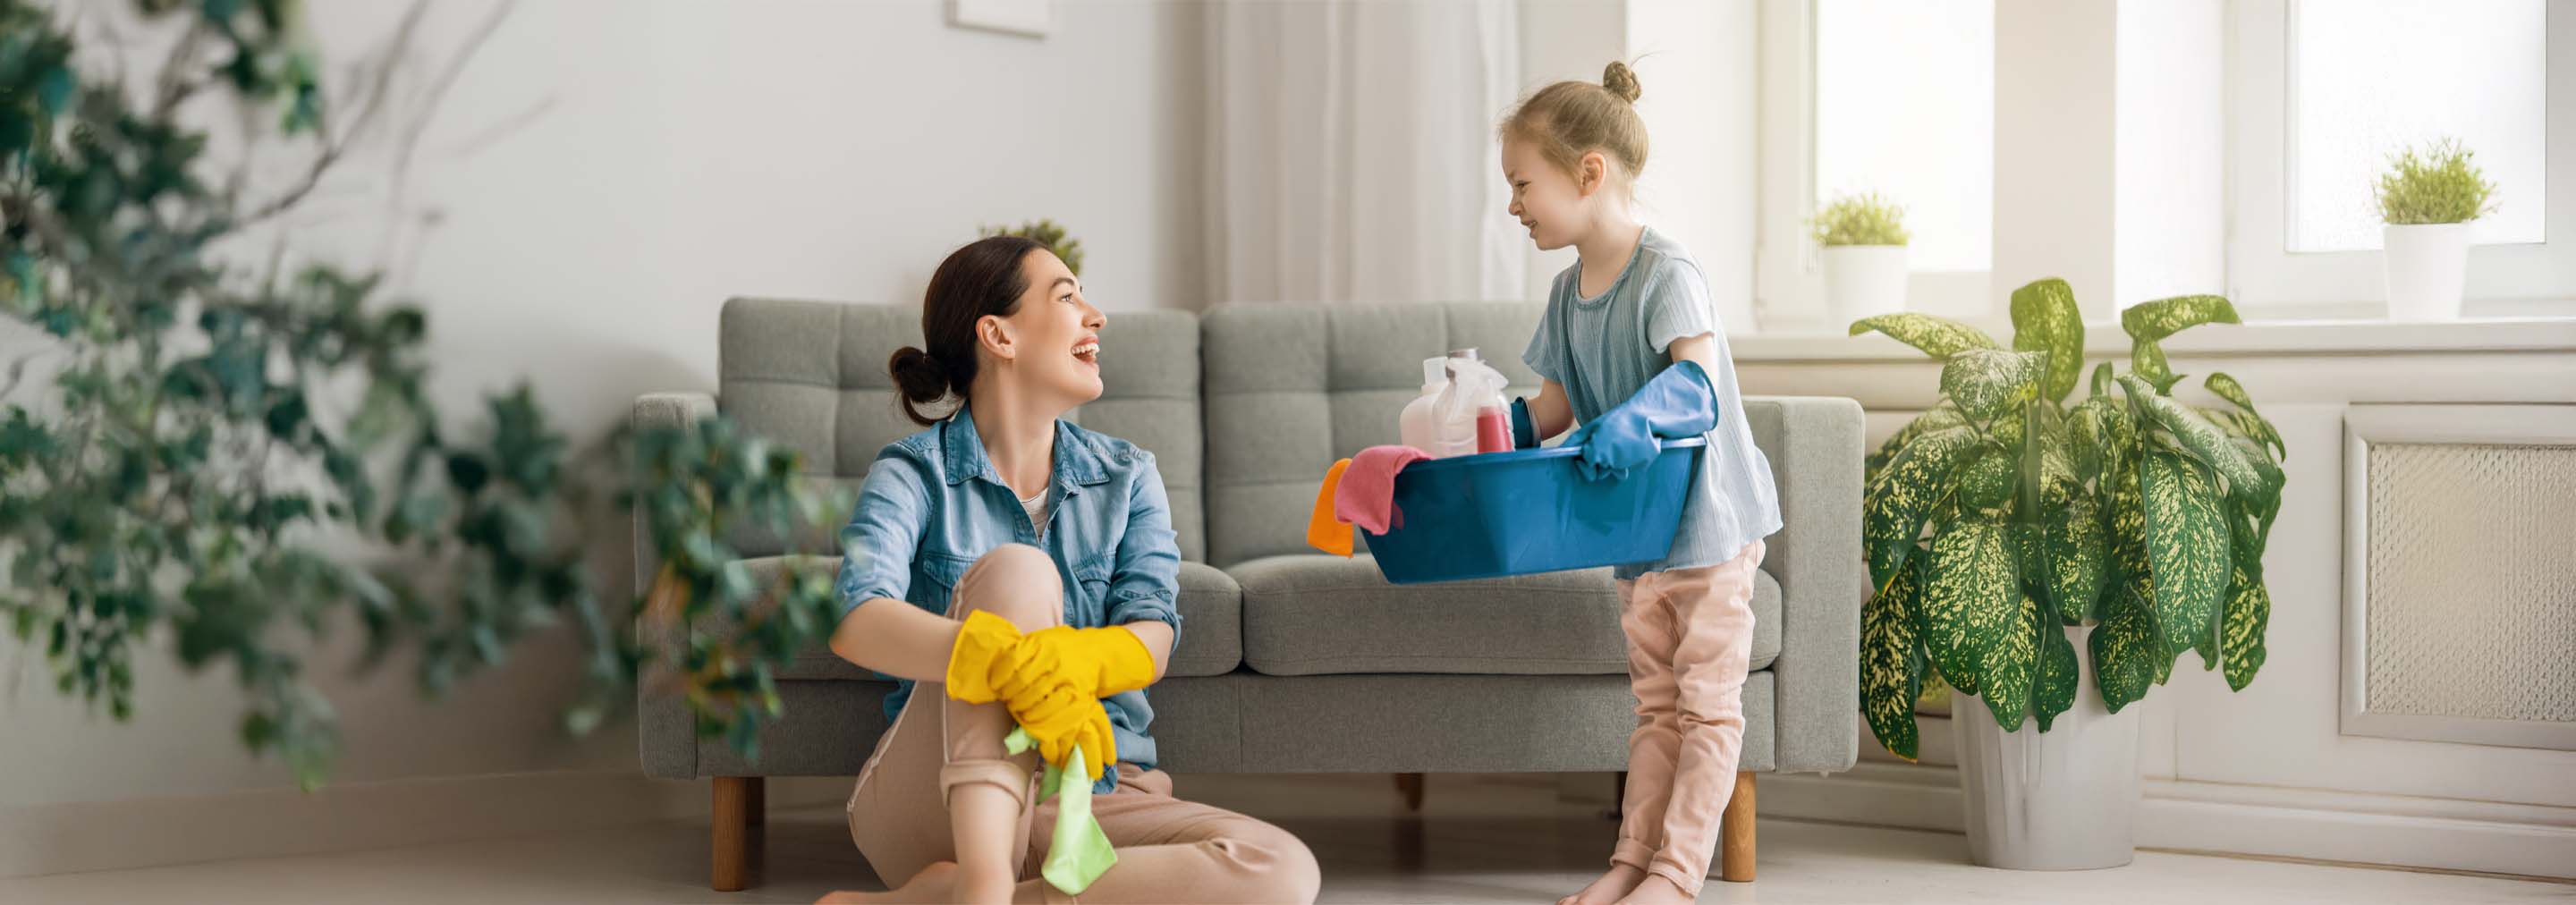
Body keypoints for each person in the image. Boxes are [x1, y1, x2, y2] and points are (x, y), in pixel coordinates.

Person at [818, 236, 1319, 905]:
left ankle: (945, 900)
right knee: (1018, 573)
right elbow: (855, 619)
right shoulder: (913, 471)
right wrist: (989, 655)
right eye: (1067, 295)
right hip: (936, 800)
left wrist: (1077, 664)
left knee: (1281, 871)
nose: (1096, 314)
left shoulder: (1129, 474)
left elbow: (1153, 634)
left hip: (1095, 795)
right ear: (998, 335)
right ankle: (984, 881)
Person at [1500, 62, 1784, 905]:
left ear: (1588, 172)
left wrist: (1634, 420)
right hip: (1635, 535)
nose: (1513, 205)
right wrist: (1474, 437)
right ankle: (1633, 862)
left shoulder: (1667, 270)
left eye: (1523, 184)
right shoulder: (1565, 293)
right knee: (1657, 710)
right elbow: (1549, 406)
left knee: (1705, 709)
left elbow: (1694, 383)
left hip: (1707, 527)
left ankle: (1676, 877)